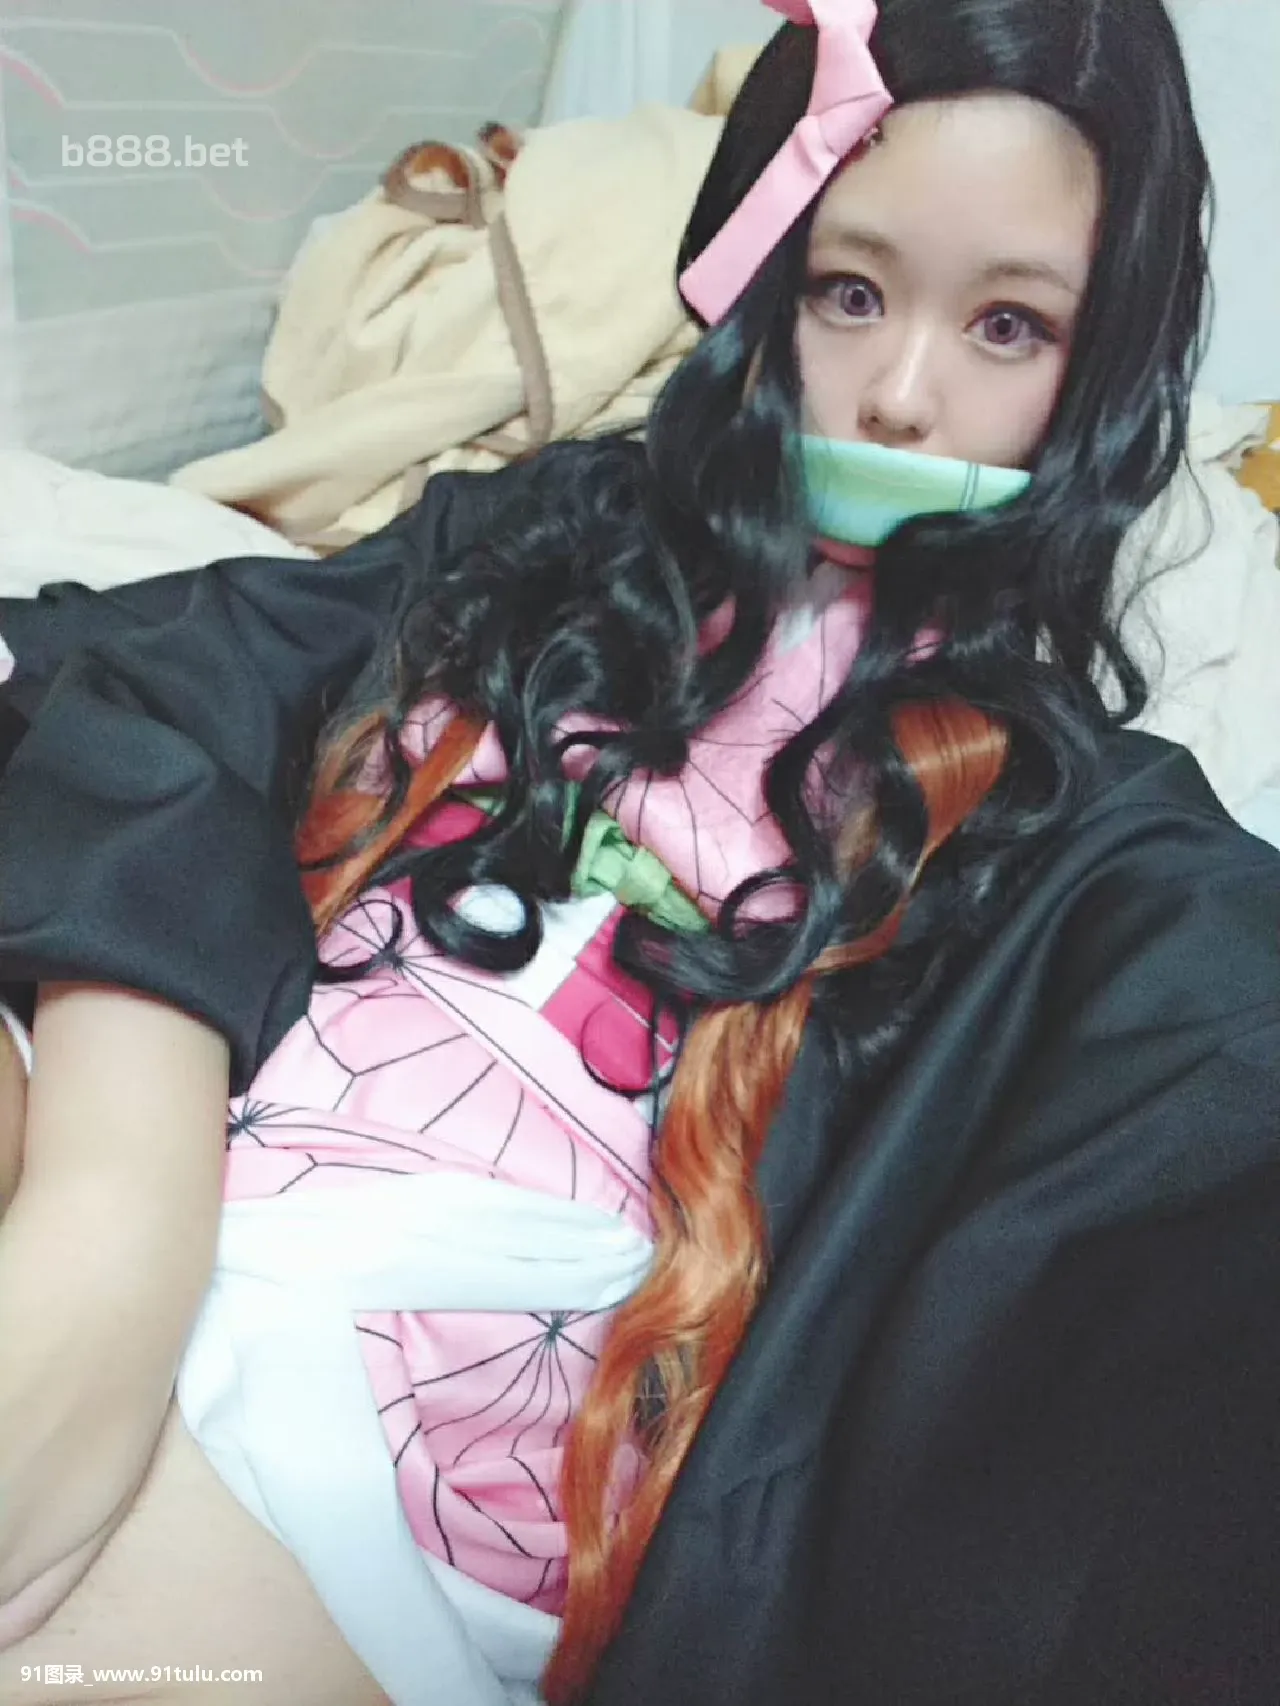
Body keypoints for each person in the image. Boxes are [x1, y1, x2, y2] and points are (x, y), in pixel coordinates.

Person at [2, 0, 1279, 1701]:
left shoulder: (1071, 834)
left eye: (1006, 325)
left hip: (405, 1447)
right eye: (849, 291)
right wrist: (117, 1190)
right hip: (154, 1176)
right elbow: (171, 678)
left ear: (1099, 367)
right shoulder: (542, 533)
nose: (904, 395)